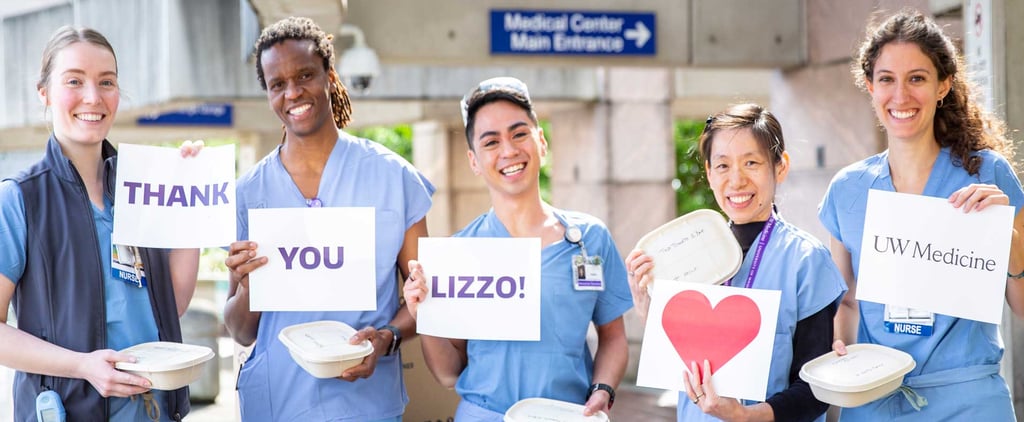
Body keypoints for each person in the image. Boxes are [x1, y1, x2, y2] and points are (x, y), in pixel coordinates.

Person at [223, 16, 433, 421]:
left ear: (330, 77)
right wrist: (250, 287)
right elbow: (240, 330)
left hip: (366, 404)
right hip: (276, 401)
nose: (293, 92)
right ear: (267, 93)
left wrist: (387, 338)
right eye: (277, 84)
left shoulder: (393, 178)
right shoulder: (248, 193)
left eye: (305, 75)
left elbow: (426, 295)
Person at [818, 9, 1024, 420]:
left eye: (917, 78)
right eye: (886, 79)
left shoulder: (988, 174)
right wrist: (840, 351)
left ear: (943, 85)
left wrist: (1010, 240)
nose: (901, 96)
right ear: (870, 87)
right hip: (875, 402)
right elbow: (846, 303)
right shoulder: (847, 189)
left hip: (969, 402)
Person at [402, 76, 632, 420]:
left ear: (541, 141)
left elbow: (613, 338)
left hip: (566, 415)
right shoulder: (459, 253)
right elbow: (449, 373)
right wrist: (424, 315)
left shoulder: (589, 239)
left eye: (519, 133)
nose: (509, 151)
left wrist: (603, 389)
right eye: (491, 142)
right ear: (474, 161)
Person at [0, 26, 200, 421]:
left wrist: (190, 198)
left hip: (152, 411)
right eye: (74, 80)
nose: (93, 97)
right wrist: (82, 366)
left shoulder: (142, 190)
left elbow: (168, 306)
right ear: (45, 92)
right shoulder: (20, 199)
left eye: (106, 82)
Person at [627, 104, 847, 422]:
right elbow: (680, 359)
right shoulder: (683, 254)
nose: (737, 180)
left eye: (751, 163)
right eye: (723, 166)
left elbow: (816, 390)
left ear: (780, 166)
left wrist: (745, 416)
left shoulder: (805, 261)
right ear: (708, 173)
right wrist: (648, 307)